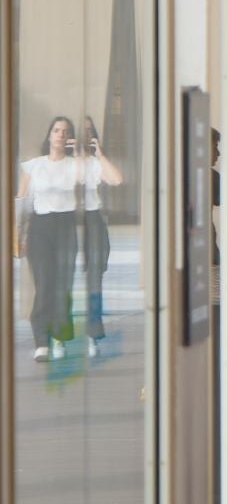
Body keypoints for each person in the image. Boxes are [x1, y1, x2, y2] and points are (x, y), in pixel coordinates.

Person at [15, 116, 83, 361]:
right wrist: (19, 234)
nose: (60, 135)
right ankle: (41, 340)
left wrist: (79, 153)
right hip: (40, 227)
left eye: (65, 131)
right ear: (49, 134)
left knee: (63, 285)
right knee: (44, 284)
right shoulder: (33, 166)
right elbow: (22, 202)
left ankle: (59, 338)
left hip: (65, 226)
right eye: (56, 130)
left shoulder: (76, 165)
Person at [78, 115, 124, 346]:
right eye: (81, 129)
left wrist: (100, 154)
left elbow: (116, 179)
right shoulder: (61, 161)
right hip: (67, 220)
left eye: (89, 130)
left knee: (95, 275)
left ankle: (93, 329)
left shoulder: (95, 163)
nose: (86, 134)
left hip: (93, 218)